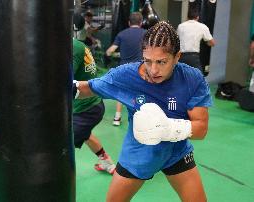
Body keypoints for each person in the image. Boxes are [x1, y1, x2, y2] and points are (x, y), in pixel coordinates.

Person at [74, 21, 211, 201]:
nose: (153, 70)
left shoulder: (191, 78)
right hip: (138, 155)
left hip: (176, 153)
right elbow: (88, 88)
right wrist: (52, 88)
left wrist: (166, 128)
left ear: (177, 57)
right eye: (148, 61)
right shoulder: (125, 76)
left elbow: (201, 129)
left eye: (162, 62)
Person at [72, 38, 115, 174]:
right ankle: (106, 161)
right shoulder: (76, 44)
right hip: (89, 105)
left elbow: (60, 81)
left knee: (60, 145)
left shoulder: (71, 48)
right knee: (85, 134)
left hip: (86, 109)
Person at [106, 12, 146, 126]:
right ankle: (139, 118)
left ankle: (117, 117)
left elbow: (110, 51)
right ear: (141, 22)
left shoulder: (121, 34)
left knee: (122, 92)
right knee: (140, 92)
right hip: (140, 68)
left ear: (129, 22)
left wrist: (115, 55)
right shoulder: (146, 34)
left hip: (124, 68)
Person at [177, 7, 215, 74]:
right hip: (193, 57)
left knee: (181, 78)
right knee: (199, 79)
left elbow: (176, 40)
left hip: (181, 56)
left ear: (187, 17)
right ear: (197, 17)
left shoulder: (180, 26)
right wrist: (206, 43)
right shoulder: (202, 27)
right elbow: (212, 43)